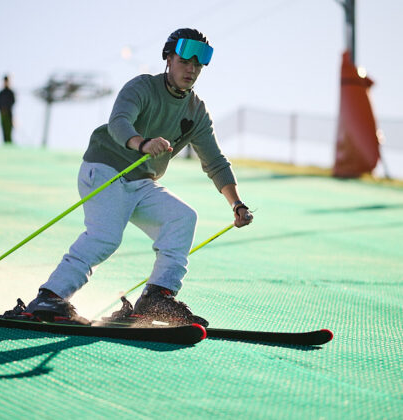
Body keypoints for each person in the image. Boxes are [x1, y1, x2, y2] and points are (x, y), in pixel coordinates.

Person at [19, 28, 254, 326]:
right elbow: (119, 122)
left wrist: (236, 204)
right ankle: (50, 297)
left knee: (182, 218)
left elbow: (215, 161)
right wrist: (142, 144)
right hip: (105, 169)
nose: (191, 69)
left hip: (141, 182)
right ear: (168, 59)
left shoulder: (196, 111)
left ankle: (156, 298)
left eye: (198, 64)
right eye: (184, 61)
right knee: (105, 237)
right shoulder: (142, 87)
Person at [0, 75, 15, 143]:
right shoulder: (1, 93)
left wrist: (6, 108)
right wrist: (1, 109)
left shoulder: (10, 92)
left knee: (8, 132)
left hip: (9, 115)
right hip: (2, 115)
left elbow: (13, 102)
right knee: (3, 132)